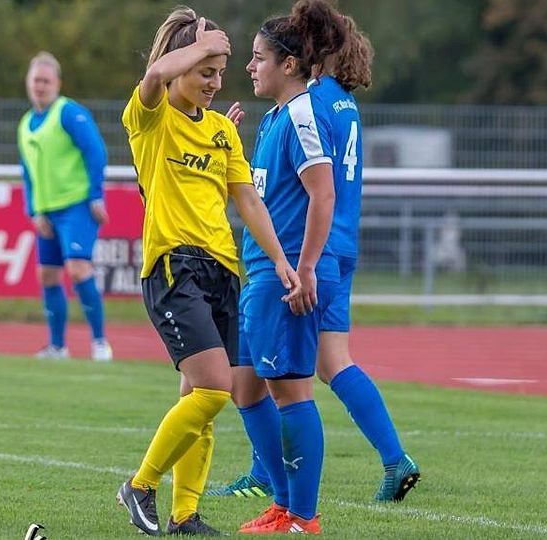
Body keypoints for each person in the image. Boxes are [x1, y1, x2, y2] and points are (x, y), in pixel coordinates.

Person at [210, 1, 422, 511]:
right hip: (338, 242)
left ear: (301, 52)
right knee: (327, 363)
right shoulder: (342, 100)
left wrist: (302, 262)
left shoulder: (308, 102)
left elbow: (312, 187)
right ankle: (393, 458)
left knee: (284, 378)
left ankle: (278, 487)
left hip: (309, 247)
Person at [114, 7, 301, 537]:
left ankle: (185, 515)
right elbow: (154, 75)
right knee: (216, 389)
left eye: (220, 72)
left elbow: (248, 201)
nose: (215, 83)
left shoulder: (221, 130)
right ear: (180, 64)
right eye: (205, 70)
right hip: (174, 267)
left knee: (200, 398)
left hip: (222, 270)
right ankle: (140, 485)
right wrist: (198, 45)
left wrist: (282, 260)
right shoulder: (150, 117)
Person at [234, 2, 345, 534]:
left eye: (258, 57)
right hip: (260, 272)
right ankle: (283, 501)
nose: (250, 67)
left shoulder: (301, 114)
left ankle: (303, 514)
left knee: (291, 392)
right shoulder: (275, 117)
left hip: (285, 278)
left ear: (290, 64)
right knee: (244, 387)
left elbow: (323, 194)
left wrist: (306, 268)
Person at [18, 51, 113, 362]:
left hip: (76, 205)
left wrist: (95, 195)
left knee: (78, 268)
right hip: (47, 212)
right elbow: (27, 172)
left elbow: (95, 151)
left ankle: (100, 343)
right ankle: (57, 347)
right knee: (47, 274)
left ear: (57, 83)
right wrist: (34, 210)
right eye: (36, 80)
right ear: (28, 82)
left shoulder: (69, 113)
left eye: (46, 81)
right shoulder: (25, 124)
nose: (40, 86)